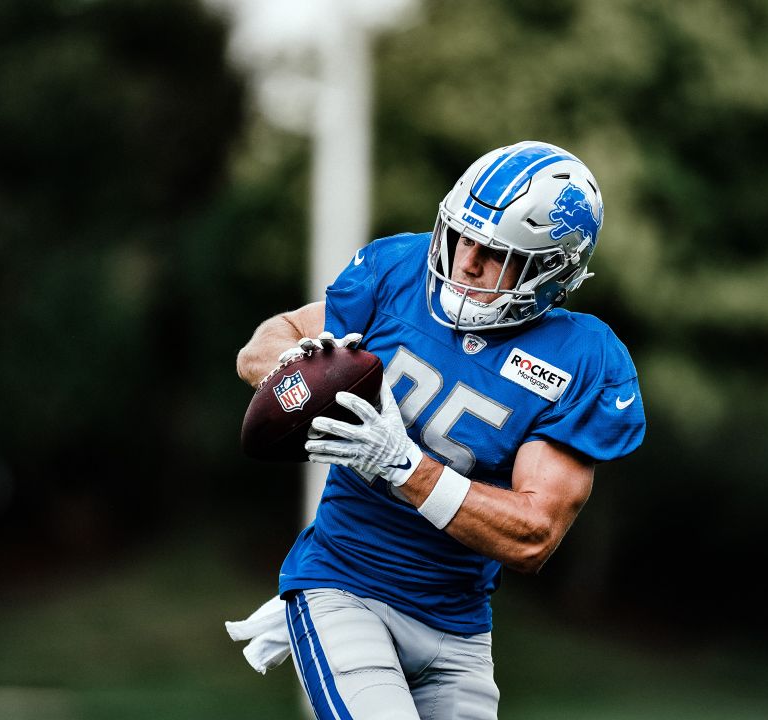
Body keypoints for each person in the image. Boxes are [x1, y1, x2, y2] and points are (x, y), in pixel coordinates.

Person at [227, 140, 645, 720]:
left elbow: (533, 535)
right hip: (343, 587)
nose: (465, 261)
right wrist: (293, 362)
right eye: (460, 236)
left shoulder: (582, 356)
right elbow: (271, 338)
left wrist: (407, 467)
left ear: (552, 269)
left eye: (495, 253)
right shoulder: (399, 273)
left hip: (459, 630)